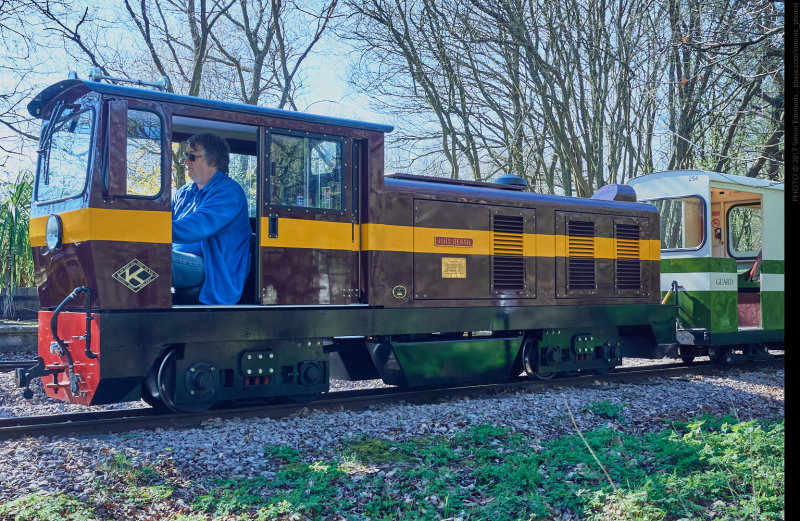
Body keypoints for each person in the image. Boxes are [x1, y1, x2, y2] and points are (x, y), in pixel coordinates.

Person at [172, 133, 251, 305]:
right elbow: (160, 217)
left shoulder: (229, 192)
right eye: (186, 155)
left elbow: (197, 226)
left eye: (192, 156)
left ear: (213, 162)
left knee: (150, 258)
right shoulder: (184, 193)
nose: (186, 161)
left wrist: (150, 231)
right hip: (184, 260)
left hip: (213, 270)